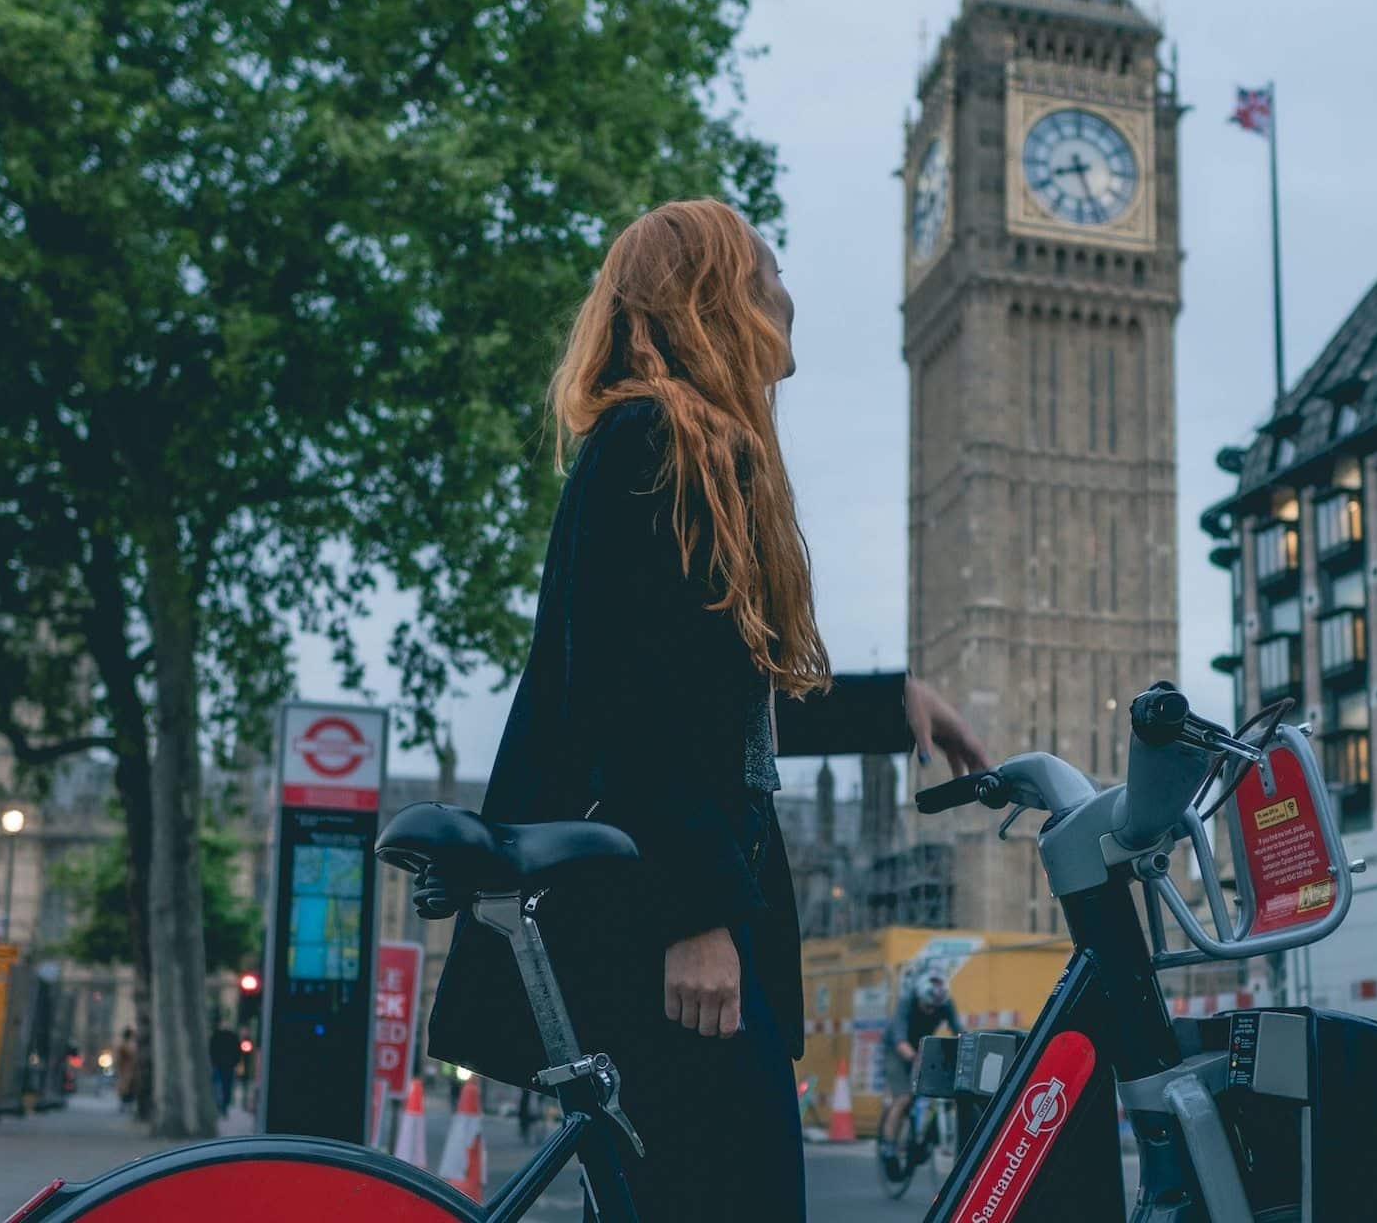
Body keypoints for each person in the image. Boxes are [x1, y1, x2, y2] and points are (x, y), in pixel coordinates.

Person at [420, 198, 988, 1221]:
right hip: (659, 927)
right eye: (767, 270)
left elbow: (714, 697)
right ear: (712, 296)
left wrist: (893, 705)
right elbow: (631, 704)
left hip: (661, 907)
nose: (790, 293)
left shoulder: (678, 448)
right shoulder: (659, 443)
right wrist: (696, 918)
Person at [879, 970, 962, 1169]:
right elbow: (899, 1039)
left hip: (922, 1048)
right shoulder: (907, 1002)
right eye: (927, 1006)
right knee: (904, 1098)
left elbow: (959, 1030)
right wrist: (913, 1057)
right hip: (896, 1049)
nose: (931, 1011)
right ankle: (889, 1147)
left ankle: (923, 1135)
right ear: (919, 996)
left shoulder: (945, 1003)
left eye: (936, 1008)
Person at [209, 1021, 241, 1119]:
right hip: (228, 1065)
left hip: (220, 1065)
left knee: (218, 1086)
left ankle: (220, 1106)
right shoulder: (233, 1036)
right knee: (226, 1086)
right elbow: (237, 1051)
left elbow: (211, 1049)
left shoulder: (216, 1036)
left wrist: (213, 1061)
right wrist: (235, 1062)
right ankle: (223, 1107)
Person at [113, 1027, 138, 1114]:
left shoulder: (126, 1044)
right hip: (126, 1070)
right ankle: (124, 1105)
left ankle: (126, 1105)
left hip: (128, 1070)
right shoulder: (124, 1045)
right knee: (126, 1088)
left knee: (128, 1088)